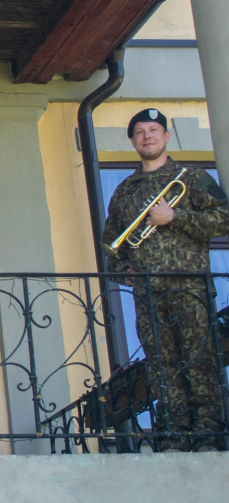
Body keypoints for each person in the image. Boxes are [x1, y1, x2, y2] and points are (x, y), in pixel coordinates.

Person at [101, 107, 229, 452]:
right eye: (140, 132)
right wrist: (121, 270)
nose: (147, 136)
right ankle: (173, 434)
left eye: (154, 130)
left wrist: (175, 216)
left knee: (200, 359)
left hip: (190, 287)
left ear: (166, 136)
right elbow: (111, 243)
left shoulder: (191, 177)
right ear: (132, 141)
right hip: (148, 290)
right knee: (162, 365)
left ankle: (209, 435)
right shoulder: (125, 190)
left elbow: (224, 219)